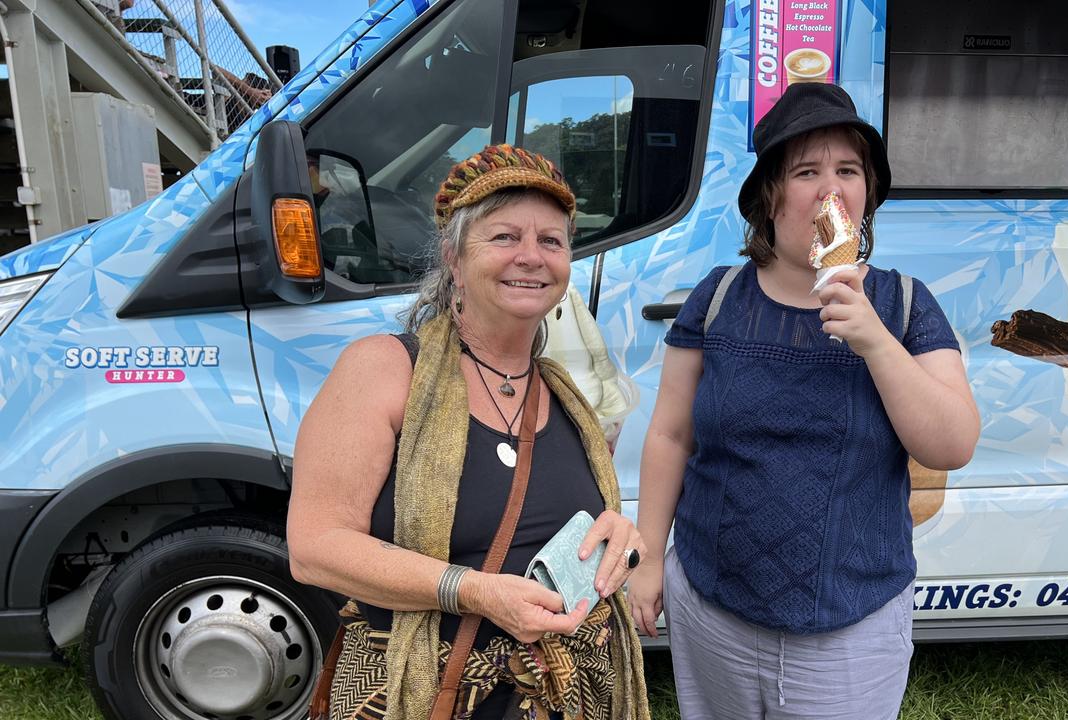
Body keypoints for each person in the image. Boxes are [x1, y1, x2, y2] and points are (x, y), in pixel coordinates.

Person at [628, 82, 980, 719]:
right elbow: (671, 435)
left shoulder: (903, 304)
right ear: (770, 197)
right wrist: (649, 558)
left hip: (852, 624)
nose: (830, 190)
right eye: (806, 171)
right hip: (713, 607)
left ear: (866, 193)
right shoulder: (718, 296)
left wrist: (875, 340)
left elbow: (952, 444)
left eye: (847, 170)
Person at [288, 144, 651, 720]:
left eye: (551, 241)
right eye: (505, 237)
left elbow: (570, 522)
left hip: (564, 692)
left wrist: (616, 538)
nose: (531, 257)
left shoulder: (565, 396)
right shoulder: (384, 369)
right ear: (454, 259)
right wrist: (476, 591)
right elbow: (315, 548)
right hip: (421, 692)